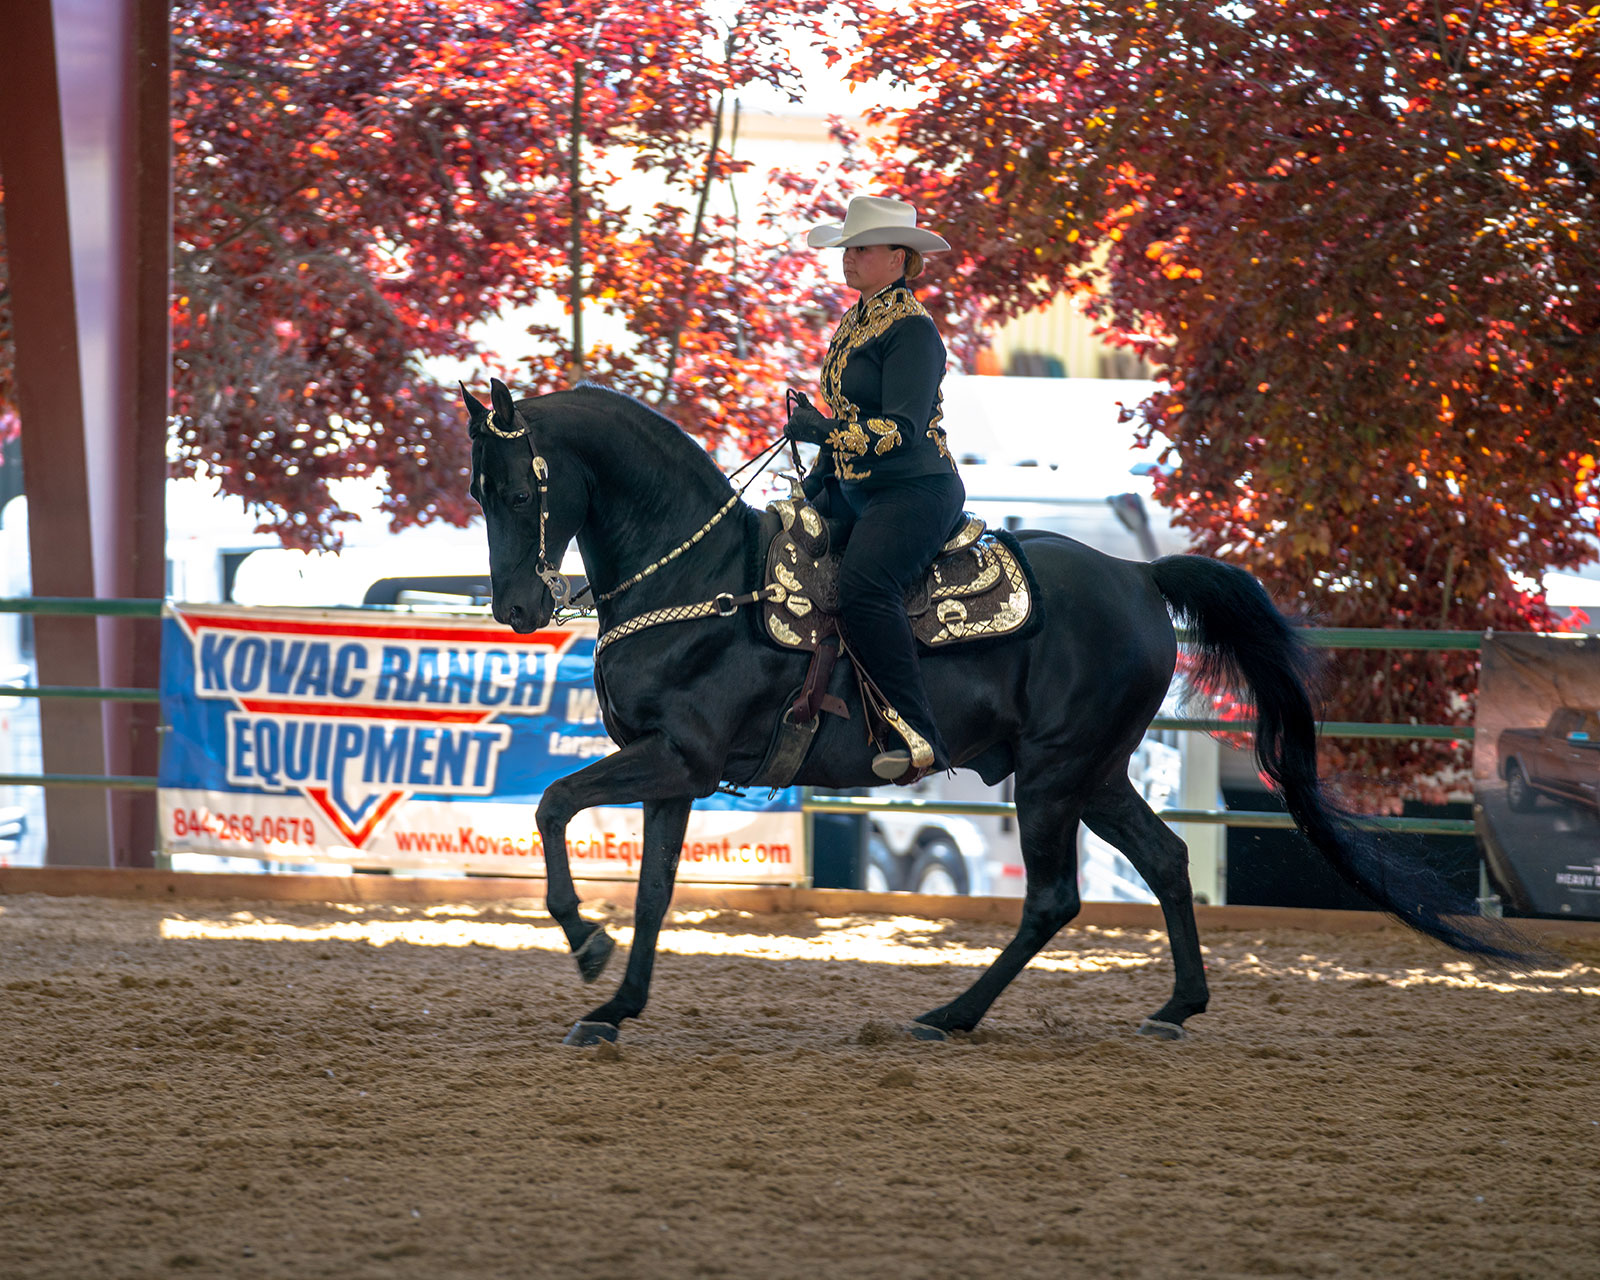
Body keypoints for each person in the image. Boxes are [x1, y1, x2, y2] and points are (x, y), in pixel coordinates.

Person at [783, 195, 967, 783]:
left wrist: (825, 429)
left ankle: (916, 735)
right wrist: (815, 479)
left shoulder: (914, 331)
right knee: (771, 541)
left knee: (865, 586)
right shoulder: (856, 320)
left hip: (914, 488)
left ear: (898, 257)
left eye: (860, 248)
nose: (849, 258)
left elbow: (901, 431)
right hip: (855, 485)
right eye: (847, 249)